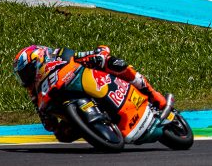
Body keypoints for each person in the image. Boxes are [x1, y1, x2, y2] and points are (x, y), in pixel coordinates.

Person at [13, 44, 167, 142]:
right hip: (69, 103)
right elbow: (49, 125)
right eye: (21, 76)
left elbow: (77, 56)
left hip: (84, 78)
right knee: (62, 135)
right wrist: (47, 116)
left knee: (114, 64)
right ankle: (96, 128)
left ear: (38, 60)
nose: (25, 78)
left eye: (25, 73)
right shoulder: (35, 93)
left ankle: (152, 93)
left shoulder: (57, 55)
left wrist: (96, 55)